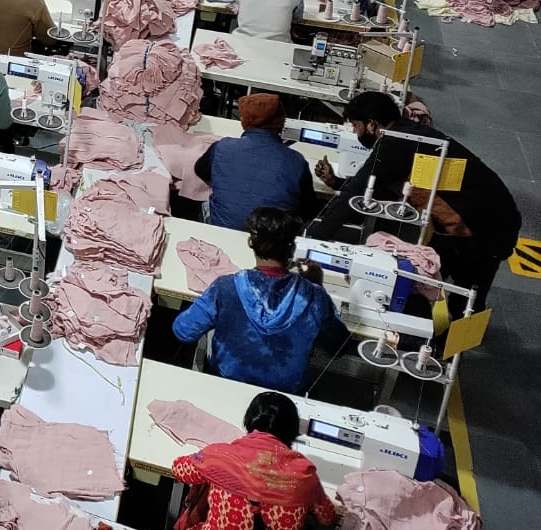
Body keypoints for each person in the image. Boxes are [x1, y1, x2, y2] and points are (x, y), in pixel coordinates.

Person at [309, 92, 520, 312]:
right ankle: (429, 322)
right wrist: (336, 182)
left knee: (467, 294)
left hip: (486, 227)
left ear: (372, 125)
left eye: (356, 126)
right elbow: (377, 187)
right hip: (468, 220)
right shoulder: (406, 134)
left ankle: (447, 337)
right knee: (426, 275)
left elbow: (353, 195)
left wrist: (310, 242)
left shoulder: (396, 142)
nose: (355, 132)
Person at [173, 206, 349, 392]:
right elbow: (338, 347)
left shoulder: (226, 287)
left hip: (227, 381)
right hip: (285, 393)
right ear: (292, 249)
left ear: (251, 242)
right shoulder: (314, 296)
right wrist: (317, 287)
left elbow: (184, 331)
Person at [172, 391, 338, 530]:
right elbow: (327, 517)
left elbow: (179, 469)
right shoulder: (304, 474)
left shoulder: (220, 457)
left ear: (249, 421)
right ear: (292, 430)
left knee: (202, 502)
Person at [194, 94, 317, 230]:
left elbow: (200, 170)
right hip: (271, 237)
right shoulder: (296, 160)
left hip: (224, 226)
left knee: (207, 203)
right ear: (282, 122)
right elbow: (309, 209)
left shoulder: (223, 146)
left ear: (243, 120)